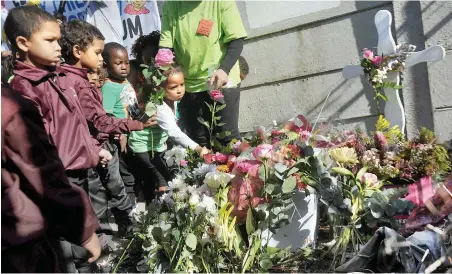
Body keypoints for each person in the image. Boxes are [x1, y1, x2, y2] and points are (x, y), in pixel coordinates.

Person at [4, 6, 111, 272]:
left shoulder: (60, 76)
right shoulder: (23, 89)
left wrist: (94, 148)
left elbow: (78, 124)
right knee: (70, 248)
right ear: (23, 43)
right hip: (58, 178)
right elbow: (37, 155)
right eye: (49, 41)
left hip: (79, 169)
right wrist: (85, 232)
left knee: (84, 238)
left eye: (58, 40)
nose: (58, 47)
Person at [60, 20, 159, 238]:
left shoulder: (76, 80)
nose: (100, 59)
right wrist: (135, 125)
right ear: (78, 51)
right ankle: (113, 235)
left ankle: (119, 230)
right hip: (93, 149)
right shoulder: (76, 83)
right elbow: (99, 120)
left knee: (109, 189)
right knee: (106, 190)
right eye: (97, 53)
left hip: (96, 147)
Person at [1, 84, 101, 273]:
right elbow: (41, 172)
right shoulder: (10, 103)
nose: (59, 51)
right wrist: (84, 230)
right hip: (18, 236)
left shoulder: (61, 81)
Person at [160, 0, 247, 147]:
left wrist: (224, 69)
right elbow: (165, 48)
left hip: (222, 81)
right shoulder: (171, 5)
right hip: (190, 85)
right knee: (200, 142)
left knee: (228, 139)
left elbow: (236, 40)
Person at [129, 64, 209, 203]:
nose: (179, 90)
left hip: (156, 146)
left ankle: (159, 206)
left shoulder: (173, 101)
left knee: (160, 177)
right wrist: (199, 148)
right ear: (159, 88)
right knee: (163, 179)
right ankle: (161, 209)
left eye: (182, 84)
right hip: (143, 147)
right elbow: (174, 133)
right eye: (173, 87)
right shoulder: (160, 106)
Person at [101, 42, 144, 207]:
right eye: (118, 63)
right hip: (120, 137)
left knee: (135, 169)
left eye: (126, 62)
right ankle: (130, 205)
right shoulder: (108, 87)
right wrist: (120, 135)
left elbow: (131, 107)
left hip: (133, 132)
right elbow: (108, 116)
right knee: (125, 172)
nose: (124, 67)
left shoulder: (124, 82)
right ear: (106, 64)